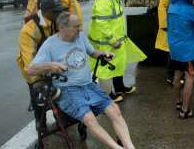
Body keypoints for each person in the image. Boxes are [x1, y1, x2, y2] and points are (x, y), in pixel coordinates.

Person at [28, 12, 135, 149]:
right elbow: (30, 70)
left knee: (114, 110)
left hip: (88, 85)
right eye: (76, 26)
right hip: (68, 90)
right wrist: (51, 65)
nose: (80, 29)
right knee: (89, 118)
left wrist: (103, 54)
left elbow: (93, 53)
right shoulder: (50, 44)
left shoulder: (80, 37)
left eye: (80, 26)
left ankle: (130, 146)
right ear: (62, 28)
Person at [88, 0, 146, 102]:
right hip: (107, 42)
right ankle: (107, 95)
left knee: (119, 64)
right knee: (106, 69)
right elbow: (102, 22)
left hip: (116, 40)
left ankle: (119, 87)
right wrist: (112, 40)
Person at [17, 0, 67, 131]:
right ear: (45, 12)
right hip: (33, 69)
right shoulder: (29, 30)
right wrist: (37, 81)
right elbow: (29, 61)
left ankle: (61, 121)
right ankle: (41, 126)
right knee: (38, 99)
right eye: (56, 12)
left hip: (51, 65)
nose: (59, 14)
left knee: (59, 94)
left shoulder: (54, 21)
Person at [168, 0, 194, 119]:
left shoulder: (171, 7)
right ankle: (185, 111)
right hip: (187, 50)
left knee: (177, 74)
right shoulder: (190, 10)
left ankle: (178, 102)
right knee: (190, 77)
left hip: (175, 48)